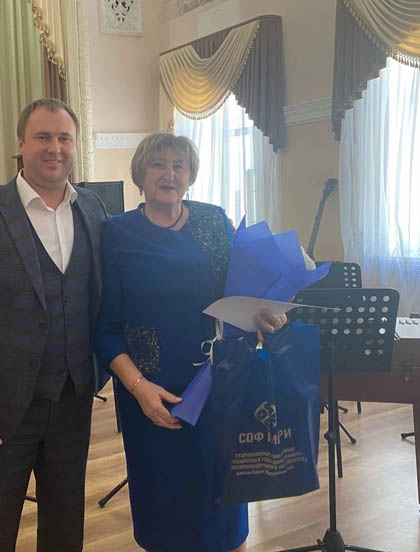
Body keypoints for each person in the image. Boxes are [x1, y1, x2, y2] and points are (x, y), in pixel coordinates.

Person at [93, 132, 286, 552]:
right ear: (140, 174)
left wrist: (267, 312)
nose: (170, 174)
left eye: (179, 165)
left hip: (218, 385)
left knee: (225, 516)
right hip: (152, 395)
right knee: (164, 517)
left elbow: (241, 295)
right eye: (158, 164)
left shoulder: (214, 220)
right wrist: (139, 389)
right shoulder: (117, 232)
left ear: (191, 175)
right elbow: (105, 329)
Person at [0, 98, 111, 552]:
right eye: (42, 137)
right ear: (20, 144)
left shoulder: (93, 209)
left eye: (64, 138)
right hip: (2, 412)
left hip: (73, 400)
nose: (54, 148)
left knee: (65, 528)